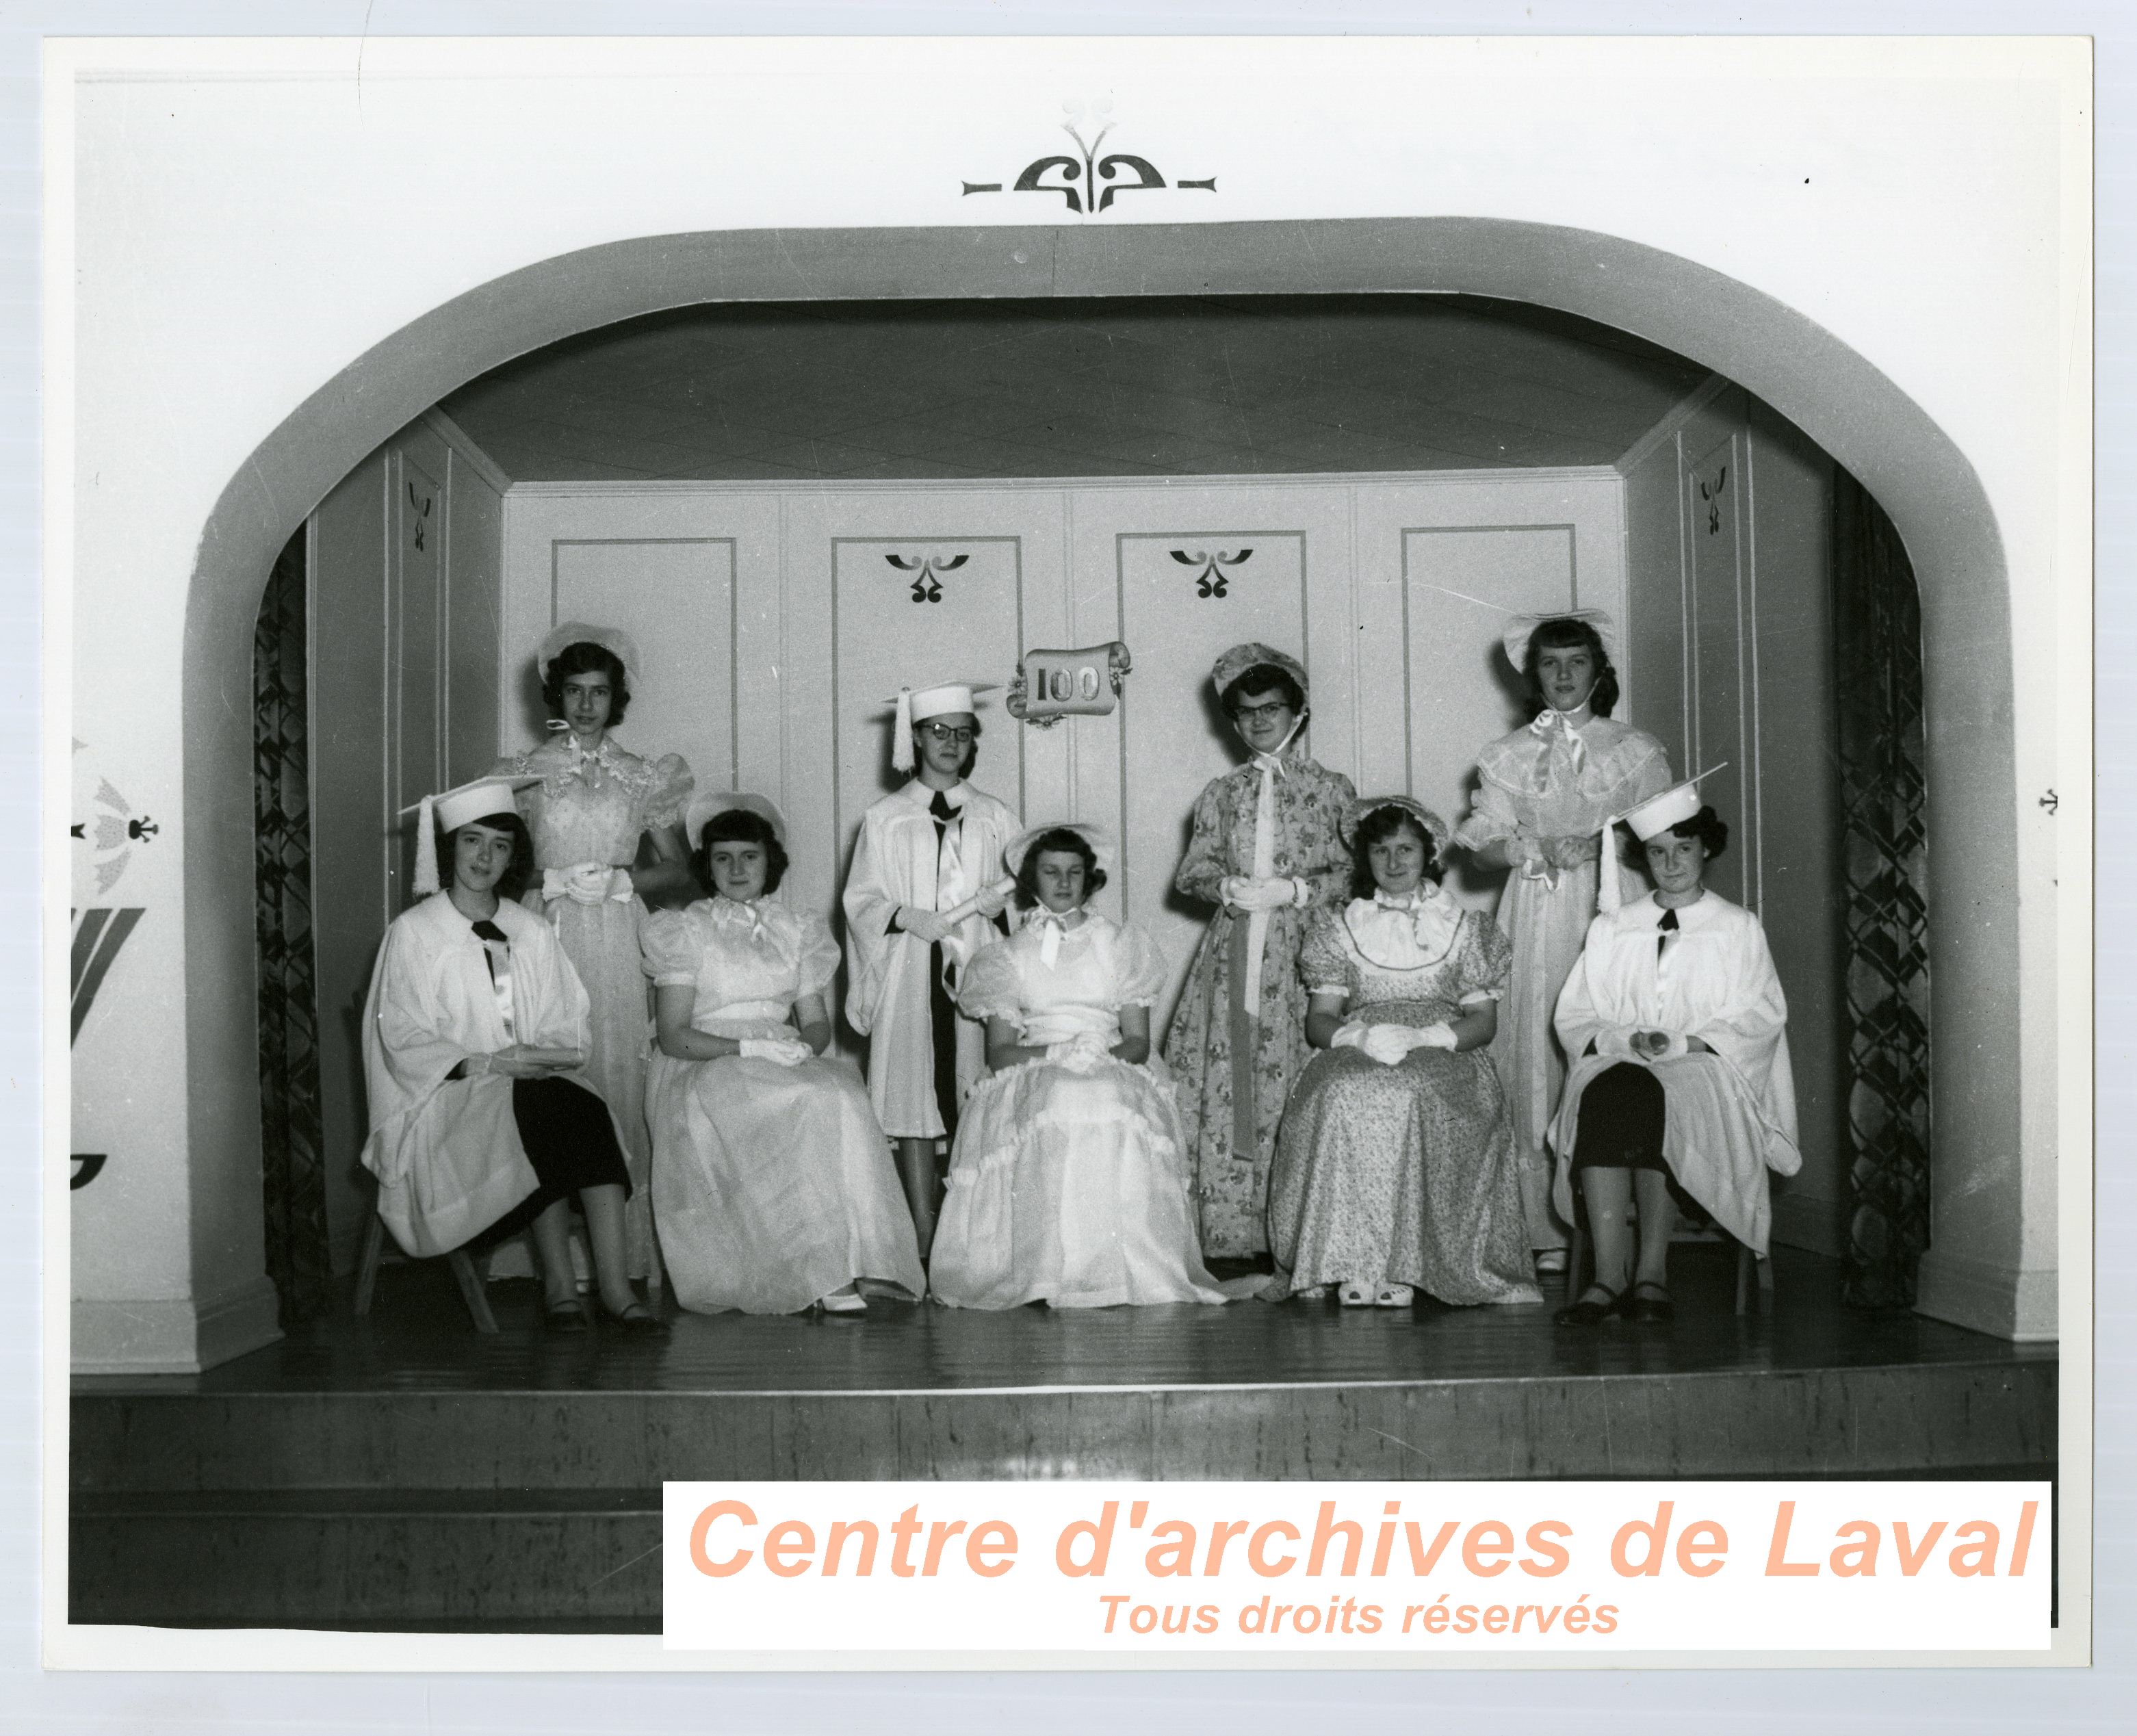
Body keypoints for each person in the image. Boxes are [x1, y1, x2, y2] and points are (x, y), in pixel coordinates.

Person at [360, 776, 665, 1334]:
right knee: (544, 1109)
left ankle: (615, 1290)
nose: (484, 856)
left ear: (513, 856)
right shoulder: (414, 933)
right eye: (472, 841)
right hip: (447, 1100)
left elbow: (565, 1013)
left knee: (584, 1109)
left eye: (499, 845)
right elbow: (400, 1034)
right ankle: (557, 1285)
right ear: (448, 847)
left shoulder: (530, 929)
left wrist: (541, 1051)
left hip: (528, 1085)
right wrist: (488, 1063)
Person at [642, 794, 926, 1315]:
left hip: (776, 1054)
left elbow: (814, 1021)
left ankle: (867, 1259)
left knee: (840, 1092)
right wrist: (747, 1046)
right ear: (707, 865)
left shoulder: (795, 928)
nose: (736, 869)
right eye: (722, 857)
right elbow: (672, 1034)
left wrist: (798, 1047)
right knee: (802, 1102)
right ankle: (820, 1272)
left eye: (748, 856)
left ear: (769, 860)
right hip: (707, 1060)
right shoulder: (687, 928)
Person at [1453, 610, 1672, 1278]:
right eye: (1551, 663)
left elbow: (1668, 837)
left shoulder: (1635, 748)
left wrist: (1613, 841)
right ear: (1532, 673)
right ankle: (1545, 1227)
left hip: (1617, 904)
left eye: (1577, 661)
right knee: (1540, 1043)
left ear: (1599, 671)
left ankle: (1621, 1225)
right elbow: (1482, 851)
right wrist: (1532, 846)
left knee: (1615, 1047)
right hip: (1541, 906)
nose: (1564, 675)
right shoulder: (1507, 755)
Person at [930, 824, 1230, 1310]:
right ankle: (1048, 1267)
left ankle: (1115, 1267)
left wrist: (1097, 1055)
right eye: (1051, 872)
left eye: (1074, 872)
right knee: (1059, 1094)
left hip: (1108, 1054)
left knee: (1103, 1095)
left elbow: (1136, 1040)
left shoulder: (1119, 941)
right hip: (1037, 1058)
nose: (1063, 883)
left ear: (1090, 879)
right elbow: (1000, 1052)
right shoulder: (1007, 954)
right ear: (1032, 879)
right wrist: (1054, 1055)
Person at [1269, 798, 1542, 1309]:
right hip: (1364, 1037)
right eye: (1380, 850)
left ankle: (1406, 1264)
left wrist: (1426, 1037)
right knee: (1343, 1088)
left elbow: (1483, 1023)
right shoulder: (1341, 925)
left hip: (1443, 1044)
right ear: (1364, 858)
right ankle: (1347, 1261)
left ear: (1428, 853)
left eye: (1405, 849)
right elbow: (1319, 1019)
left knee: (1407, 1090)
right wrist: (1358, 1037)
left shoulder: (1462, 926)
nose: (1393, 863)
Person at [1547, 781, 1800, 1325]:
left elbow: (1760, 1016)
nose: (1669, 862)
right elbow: (1575, 1012)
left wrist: (1683, 1042)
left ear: (1704, 848)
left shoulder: (1735, 928)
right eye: (1657, 851)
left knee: (1652, 1091)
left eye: (1682, 848)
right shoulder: (1615, 927)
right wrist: (1619, 1040)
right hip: (1619, 1058)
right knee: (1611, 1087)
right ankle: (1608, 1275)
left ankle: (1650, 1272)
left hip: (1707, 1066)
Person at [489, 622, 694, 1289]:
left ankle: (621, 1261)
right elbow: (490, 869)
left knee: (618, 1079)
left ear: (616, 697)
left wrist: (623, 879)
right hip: (544, 934)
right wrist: (543, 881)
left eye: (598, 691)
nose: (585, 705)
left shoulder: (643, 776)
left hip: (617, 933)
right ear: (557, 693)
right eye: (574, 690)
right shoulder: (525, 773)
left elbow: (682, 870)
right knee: (551, 1084)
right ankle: (557, 1270)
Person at [1164, 643, 1355, 1267]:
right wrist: (1223, 886)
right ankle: (1233, 1233)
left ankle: (1301, 1234)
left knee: (1298, 1077)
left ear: (1297, 712)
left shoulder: (1330, 790)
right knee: (1231, 1078)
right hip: (1234, 952)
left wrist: (1297, 889)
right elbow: (1191, 872)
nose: (1257, 721)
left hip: (1303, 958)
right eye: (1244, 712)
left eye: (1270, 707)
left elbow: (1355, 875)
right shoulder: (1221, 793)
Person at [841, 678, 1020, 1256]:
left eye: (962, 733)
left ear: (973, 743)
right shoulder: (886, 817)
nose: (950, 742)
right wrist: (903, 915)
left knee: (975, 1085)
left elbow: (1026, 888)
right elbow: (861, 900)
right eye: (938, 731)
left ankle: (969, 1224)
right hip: (909, 962)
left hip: (976, 961)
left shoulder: (994, 815)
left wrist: (1002, 908)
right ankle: (921, 1227)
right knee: (914, 1090)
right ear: (914, 738)